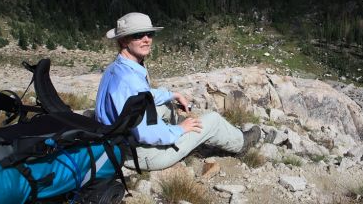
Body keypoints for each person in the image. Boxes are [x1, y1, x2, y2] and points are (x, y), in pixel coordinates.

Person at [95, 12, 260, 171]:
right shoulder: (129, 81)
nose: (147, 39)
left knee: (166, 105)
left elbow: (141, 97)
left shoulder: (117, 68)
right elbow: (147, 132)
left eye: (149, 34)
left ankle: (176, 129)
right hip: (143, 154)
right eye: (138, 35)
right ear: (124, 41)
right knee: (213, 121)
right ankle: (242, 143)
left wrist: (172, 95)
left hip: (118, 141)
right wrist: (180, 129)